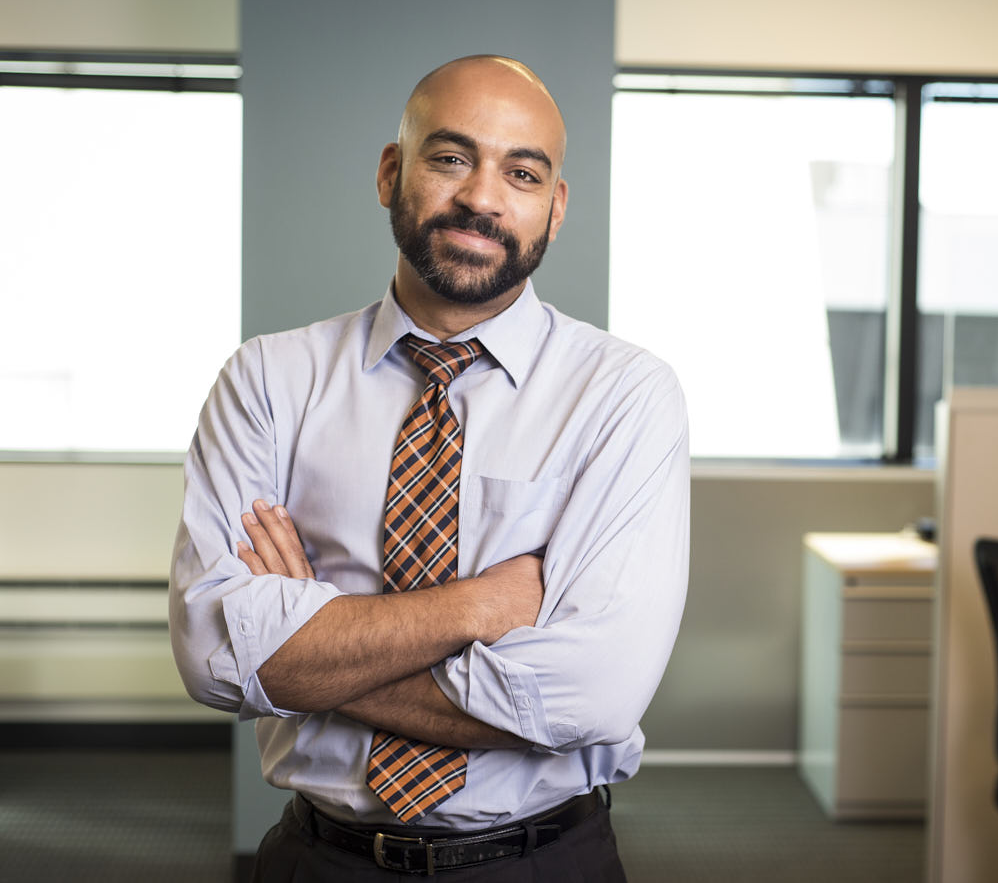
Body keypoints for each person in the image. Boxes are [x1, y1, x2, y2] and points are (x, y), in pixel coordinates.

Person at [169, 55, 690, 881]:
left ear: (555, 210)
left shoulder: (624, 396)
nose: (482, 198)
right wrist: (485, 605)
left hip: (542, 862)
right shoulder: (267, 380)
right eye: (451, 158)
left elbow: (592, 694)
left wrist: (304, 647)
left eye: (522, 173)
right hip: (318, 859)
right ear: (391, 172)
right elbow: (211, 654)